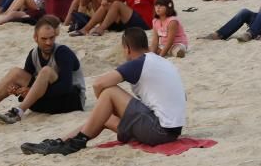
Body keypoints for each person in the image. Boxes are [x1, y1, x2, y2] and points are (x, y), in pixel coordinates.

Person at [21, 27, 186, 155]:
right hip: (170, 130)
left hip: (159, 132)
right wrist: (108, 110)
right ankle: (61, 141)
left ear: (127, 48)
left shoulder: (139, 63)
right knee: (103, 118)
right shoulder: (161, 62)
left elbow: (99, 84)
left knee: (109, 92)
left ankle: (78, 141)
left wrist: (107, 104)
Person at [0, 16, 85, 125]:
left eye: (51, 38)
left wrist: (29, 91)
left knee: (46, 71)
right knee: (15, 73)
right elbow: (28, 88)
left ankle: (19, 112)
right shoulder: (33, 54)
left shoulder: (63, 52)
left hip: (71, 101)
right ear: (35, 38)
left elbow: (65, 88)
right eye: (44, 39)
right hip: (45, 103)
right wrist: (17, 90)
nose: (48, 42)